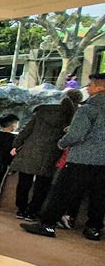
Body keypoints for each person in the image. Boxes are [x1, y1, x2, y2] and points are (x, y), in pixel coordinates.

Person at [22, 72, 105, 241]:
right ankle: (94, 228)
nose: (88, 89)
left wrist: (62, 143)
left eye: (92, 85)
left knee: (62, 192)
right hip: (102, 162)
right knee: (99, 197)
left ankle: (47, 224)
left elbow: (76, 135)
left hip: (81, 159)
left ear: (101, 87)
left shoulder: (89, 109)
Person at [10, 89, 82, 220]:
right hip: (52, 152)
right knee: (42, 185)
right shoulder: (74, 115)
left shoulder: (43, 110)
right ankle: (33, 211)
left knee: (24, 181)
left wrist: (16, 144)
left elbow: (26, 129)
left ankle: (21, 209)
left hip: (30, 149)